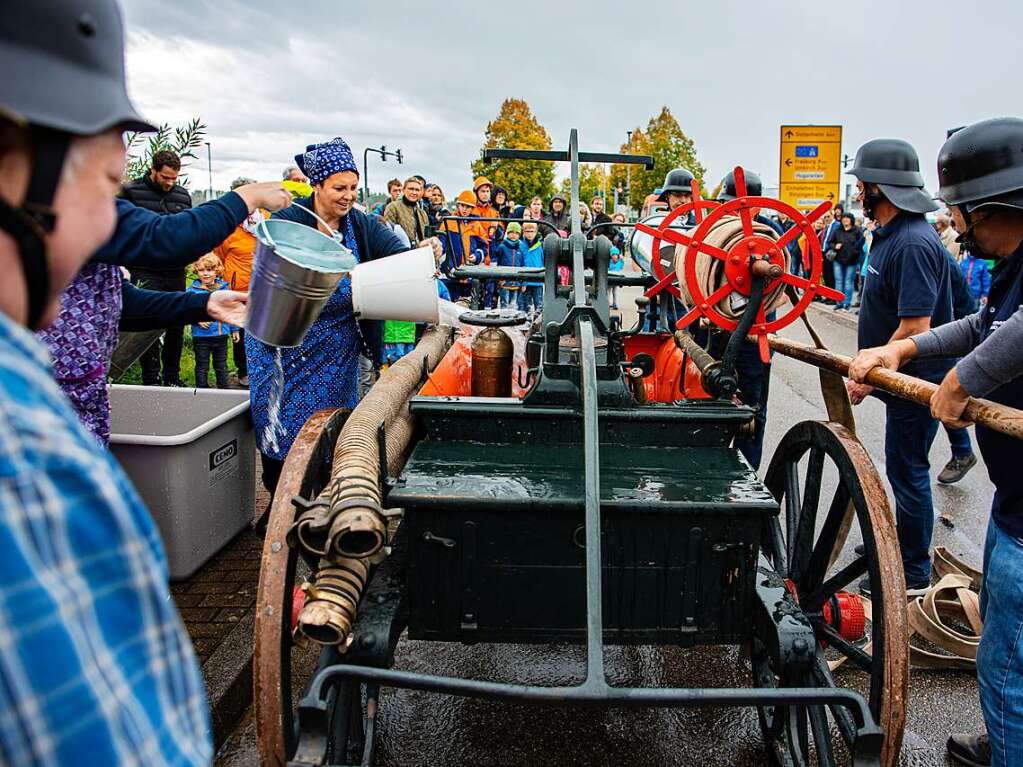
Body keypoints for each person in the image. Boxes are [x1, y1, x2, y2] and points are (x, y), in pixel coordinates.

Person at [0, 0, 214, 762]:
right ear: (15, 162)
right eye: (105, 182)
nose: (105, 223)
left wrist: (198, 299)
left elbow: (124, 297)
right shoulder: (22, 458)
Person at [849, 117, 1023, 767]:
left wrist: (960, 377)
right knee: (1007, 658)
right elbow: (981, 323)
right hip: (1013, 501)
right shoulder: (1010, 266)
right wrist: (903, 347)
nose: (951, 219)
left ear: (991, 206)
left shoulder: (923, 245)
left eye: (959, 209)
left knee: (1004, 670)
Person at [248, 137, 407, 494]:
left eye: (353, 187)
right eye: (339, 187)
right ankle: (281, 499)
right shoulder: (289, 222)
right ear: (316, 185)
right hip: (285, 347)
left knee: (333, 428)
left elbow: (394, 250)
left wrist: (417, 252)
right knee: (282, 427)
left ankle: (319, 502)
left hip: (337, 352)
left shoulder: (361, 226)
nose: (349, 195)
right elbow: (274, 284)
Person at [845, 137, 951, 596]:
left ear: (878, 189)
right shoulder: (888, 236)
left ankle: (911, 573)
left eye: (862, 185)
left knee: (908, 474)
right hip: (897, 377)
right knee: (900, 469)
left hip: (915, 380)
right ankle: (896, 550)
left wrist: (871, 374)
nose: (858, 194)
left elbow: (915, 326)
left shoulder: (912, 242)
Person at [120, 148, 193, 386]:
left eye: (174, 178)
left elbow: (186, 230)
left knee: (176, 324)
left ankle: (172, 376)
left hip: (174, 271)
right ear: (153, 170)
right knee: (148, 322)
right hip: (144, 269)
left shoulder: (182, 196)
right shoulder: (130, 192)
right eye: (165, 177)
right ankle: (150, 377)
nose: (170, 183)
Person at [213, 176, 268, 386]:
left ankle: (264, 369)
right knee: (241, 332)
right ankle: (244, 371)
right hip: (239, 289)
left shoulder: (266, 220)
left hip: (263, 288)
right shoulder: (229, 227)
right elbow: (219, 255)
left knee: (263, 330)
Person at [188, 253, 237, 388]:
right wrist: (197, 319)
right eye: (201, 270)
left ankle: (224, 390)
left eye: (209, 270)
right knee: (202, 366)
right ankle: (201, 391)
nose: (205, 274)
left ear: (217, 271)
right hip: (201, 337)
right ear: (196, 271)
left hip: (220, 335)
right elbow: (186, 311)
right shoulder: (192, 291)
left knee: (221, 365)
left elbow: (230, 309)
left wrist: (234, 329)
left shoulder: (223, 289)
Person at [830, 213, 865, 311]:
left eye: (847, 218)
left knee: (848, 282)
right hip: (838, 260)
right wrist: (834, 246)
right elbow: (831, 242)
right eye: (843, 218)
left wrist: (855, 252)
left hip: (852, 260)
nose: (845, 220)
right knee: (839, 281)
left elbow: (861, 243)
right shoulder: (837, 231)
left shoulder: (857, 231)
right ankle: (839, 303)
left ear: (851, 220)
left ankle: (847, 303)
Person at [383, 176, 429, 246]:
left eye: (417, 190)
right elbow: (387, 233)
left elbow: (426, 237)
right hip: (401, 252)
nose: (414, 192)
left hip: (421, 252)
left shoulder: (422, 213)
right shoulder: (393, 207)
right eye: (411, 189)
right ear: (403, 190)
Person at [494, 221, 526, 308]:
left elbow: (523, 265)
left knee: (514, 304)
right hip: (504, 282)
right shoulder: (502, 247)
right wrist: (499, 279)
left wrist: (524, 283)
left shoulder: (521, 248)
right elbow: (498, 264)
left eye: (516, 233)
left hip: (516, 282)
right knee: (504, 303)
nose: (513, 235)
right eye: (511, 232)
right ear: (507, 233)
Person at [520, 220, 545, 314]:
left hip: (538, 281)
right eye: (527, 231)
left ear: (536, 232)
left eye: (532, 231)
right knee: (524, 306)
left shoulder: (541, 245)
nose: (530, 234)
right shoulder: (521, 245)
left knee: (539, 305)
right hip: (525, 280)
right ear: (523, 232)